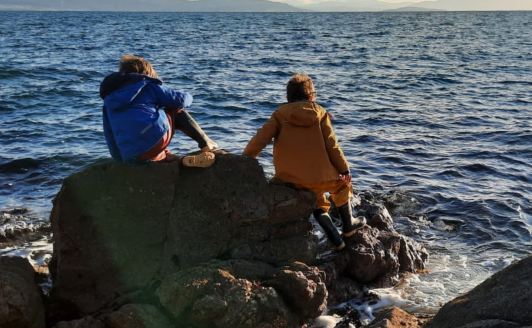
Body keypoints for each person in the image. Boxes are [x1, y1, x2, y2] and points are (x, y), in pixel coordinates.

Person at [243, 73, 366, 250]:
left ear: (288, 97)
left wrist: (246, 159)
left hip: (290, 178)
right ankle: (349, 226)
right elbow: (332, 145)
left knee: (316, 201)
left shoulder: (279, 115)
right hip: (323, 175)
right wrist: (344, 170)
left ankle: (335, 237)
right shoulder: (320, 114)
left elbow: (259, 140)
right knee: (341, 187)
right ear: (310, 97)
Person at [100, 55, 218, 167]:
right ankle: (205, 143)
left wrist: (123, 159)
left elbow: (109, 135)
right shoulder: (146, 86)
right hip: (153, 139)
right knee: (174, 109)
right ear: (145, 74)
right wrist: (191, 96)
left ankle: (181, 160)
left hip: (131, 153)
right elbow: (181, 100)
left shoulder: (108, 101)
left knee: (157, 151)